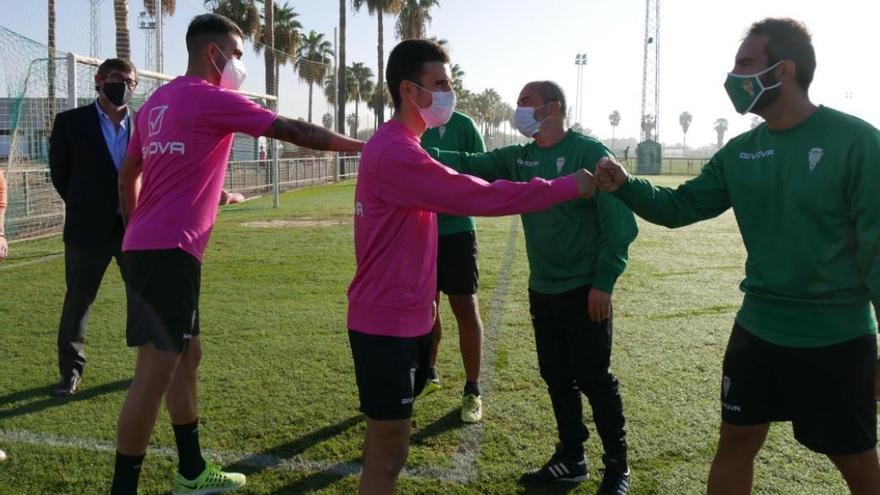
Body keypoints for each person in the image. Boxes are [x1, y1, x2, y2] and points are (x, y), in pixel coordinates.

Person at [595, 18, 880, 495]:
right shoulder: (741, 151)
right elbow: (680, 206)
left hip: (834, 338)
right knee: (737, 440)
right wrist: (625, 185)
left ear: (783, 70)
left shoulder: (857, 142)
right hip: (757, 330)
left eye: (745, 63)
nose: (733, 76)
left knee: (853, 456)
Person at [111, 13, 363, 495]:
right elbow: (291, 129)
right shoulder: (213, 98)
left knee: (189, 356)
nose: (240, 65)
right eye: (239, 55)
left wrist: (136, 229)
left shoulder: (155, 103)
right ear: (214, 54)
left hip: (149, 245)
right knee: (152, 376)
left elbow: (128, 174)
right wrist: (362, 147)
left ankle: (191, 471)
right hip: (168, 251)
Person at [347, 39, 597, 495]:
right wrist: (565, 187)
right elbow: (478, 195)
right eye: (439, 84)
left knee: (389, 449)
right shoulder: (399, 151)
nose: (448, 93)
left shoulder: (403, 144)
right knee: (387, 453)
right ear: (409, 90)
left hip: (396, 316)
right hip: (385, 320)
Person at [428, 80, 636, 494]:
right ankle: (571, 458)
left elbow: (620, 225)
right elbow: (470, 162)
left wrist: (604, 282)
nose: (518, 109)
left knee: (594, 377)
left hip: (585, 290)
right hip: (543, 288)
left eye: (527, 102)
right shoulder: (521, 157)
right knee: (556, 376)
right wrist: (413, 152)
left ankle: (617, 468)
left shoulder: (590, 153)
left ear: (553, 108)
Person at [48, 58, 137, 398]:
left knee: (142, 297)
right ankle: (70, 372)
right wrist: (87, 204)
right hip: (87, 230)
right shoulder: (71, 122)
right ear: (99, 80)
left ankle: (149, 366)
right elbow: (61, 174)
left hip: (134, 227)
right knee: (78, 302)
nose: (124, 86)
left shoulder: (142, 124)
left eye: (130, 81)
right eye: (118, 78)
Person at [419, 110, 487, 424]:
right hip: (419, 230)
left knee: (464, 305)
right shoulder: (414, 124)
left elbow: (483, 170)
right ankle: (427, 374)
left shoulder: (465, 125)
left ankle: (473, 389)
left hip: (458, 230)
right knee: (424, 307)